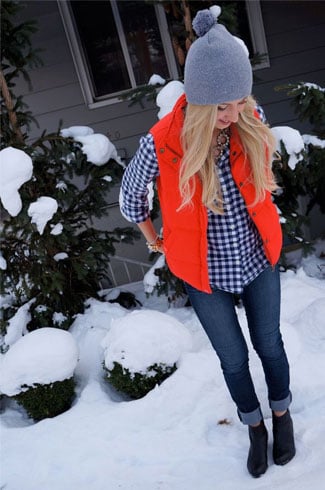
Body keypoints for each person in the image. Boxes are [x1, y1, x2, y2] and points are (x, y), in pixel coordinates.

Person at [120, 6, 295, 478]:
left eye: (239, 101)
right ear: (198, 102)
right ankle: (255, 426)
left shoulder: (247, 118)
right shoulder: (163, 142)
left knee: (270, 344)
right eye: (221, 107)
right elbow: (130, 197)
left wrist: (243, 120)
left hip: (257, 257)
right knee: (234, 359)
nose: (234, 114)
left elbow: (261, 172)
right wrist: (155, 239)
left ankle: (282, 415)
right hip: (204, 272)